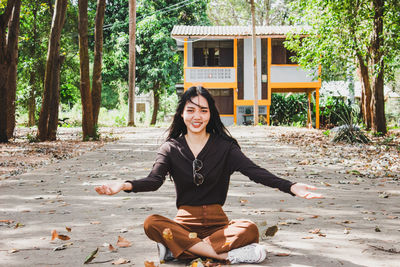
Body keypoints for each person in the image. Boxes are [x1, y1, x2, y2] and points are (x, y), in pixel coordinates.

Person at [95, 85, 323, 264]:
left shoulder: (225, 147)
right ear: (182, 113)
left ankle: (180, 250)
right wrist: (123, 185)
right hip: (184, 225)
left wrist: (291, 186)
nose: (197, 116)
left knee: (249, 229)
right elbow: (153, 181)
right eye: (191, 110)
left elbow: (255, 172)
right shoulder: (171, 148)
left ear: (210, 114)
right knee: (151, 223)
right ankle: (223, 256)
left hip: (219, 227)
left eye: (203, 110)